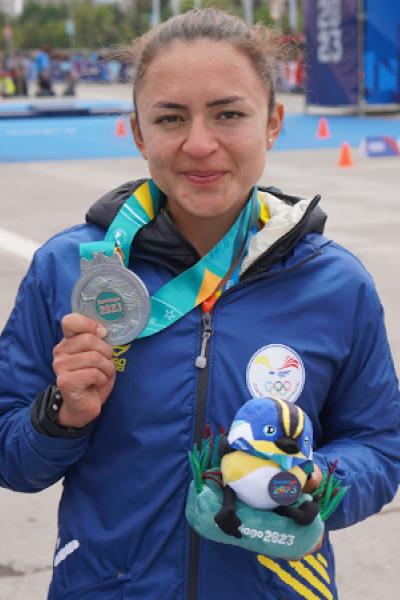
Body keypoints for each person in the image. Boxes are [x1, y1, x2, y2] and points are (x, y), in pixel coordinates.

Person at [0, 9, 399, 600]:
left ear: (273, 122)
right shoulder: (70, 269)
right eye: (170, 118)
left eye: (229, 114)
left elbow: (379, 446)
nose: (200, 144)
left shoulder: (336, 283)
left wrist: (316, 484)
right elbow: (13, 458)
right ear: (138, 131)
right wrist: (59, 414)